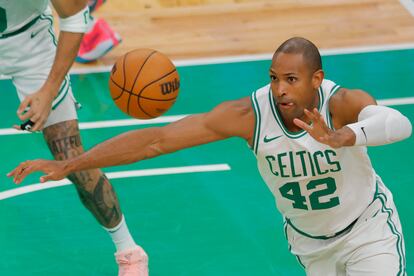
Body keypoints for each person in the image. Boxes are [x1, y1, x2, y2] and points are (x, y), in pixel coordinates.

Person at [9, 37, 412, 275]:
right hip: (310, 245)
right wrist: (69, 164)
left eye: (291, 79)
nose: (280, 89)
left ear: (316, 80)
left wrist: (344, 136)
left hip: (367, 232)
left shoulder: (341, 104)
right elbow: (157, 140)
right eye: (274, 78)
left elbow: (396, 123)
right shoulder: (248, 116)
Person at [0, 1, 147, 275]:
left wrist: (48, 89)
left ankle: (129, 252)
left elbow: (75, 17)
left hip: (29, 49)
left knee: (70, 155)